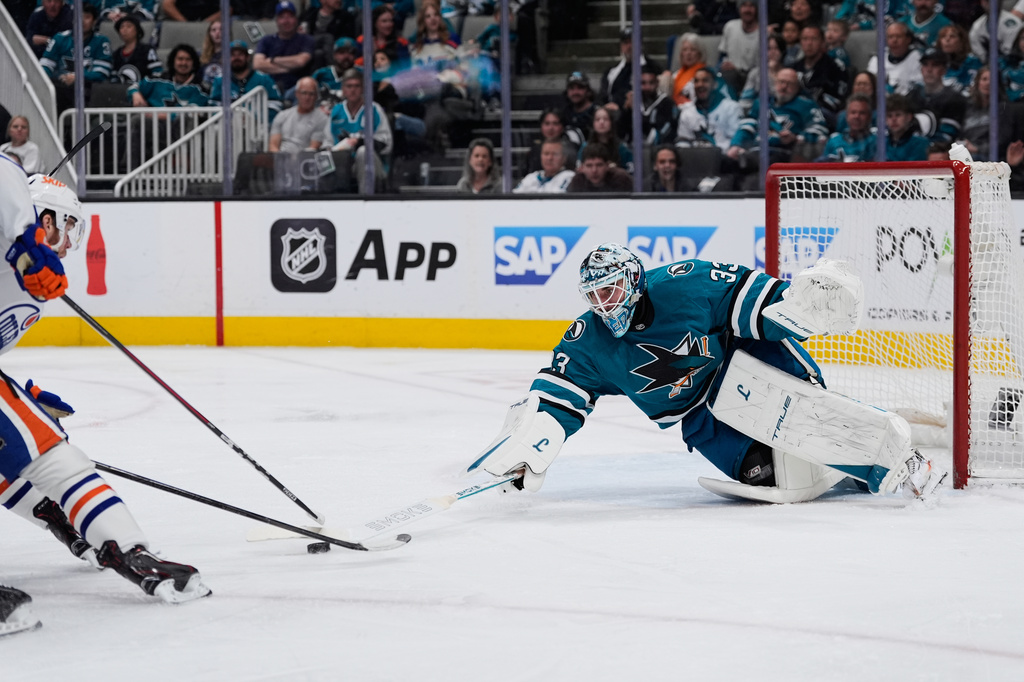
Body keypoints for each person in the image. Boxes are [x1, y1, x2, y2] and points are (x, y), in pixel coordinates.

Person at [464, 242, 945, 508]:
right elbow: (558, 397)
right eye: (594, 297)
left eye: (610, 292)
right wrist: (531, 450)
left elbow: (752, 303)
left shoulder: (684, 282)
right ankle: (836, 451)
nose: (603, 305)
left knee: (805, 417)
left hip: (746, 364)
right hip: (700, 416)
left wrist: (799, 307)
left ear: (633, 280)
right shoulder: (588, 341)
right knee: (767, 472)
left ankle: (886, 457)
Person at [0, 157, 211, 604]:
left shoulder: (33, 285)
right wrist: (19, 229)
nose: (67, 243)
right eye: (62, 227)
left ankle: (57, 515)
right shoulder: (16, 245)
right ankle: (129, 550)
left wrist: (24, 395)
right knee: (48, 451)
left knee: (21, 441)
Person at [727, 68, 828, 166]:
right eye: (781, 82)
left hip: (784, 154)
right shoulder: (761, 102)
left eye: (789, 84)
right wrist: (736, 144)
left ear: (797, 87)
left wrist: (795, 138)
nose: (784, 86)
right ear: (775, 83)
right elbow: (746, 126)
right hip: (756, 150)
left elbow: (819, 130)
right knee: (726, 166)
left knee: (755, 174)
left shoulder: (806, 105)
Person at [327, 68, 392, 193]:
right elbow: (327, 142)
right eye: (349, 86)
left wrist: (360, 142)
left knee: (363, 152)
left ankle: (366, 199)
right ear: (343, 89)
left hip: (373, 168)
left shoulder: (374, 109)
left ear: (363, 88)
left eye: (357, 86)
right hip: (342, 165)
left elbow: (386, 144)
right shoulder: (335, 111)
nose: (353, 90)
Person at [39, 3, 112, 113]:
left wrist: (78, 77)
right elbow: (44, 66)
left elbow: (102, 73)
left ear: (94, 21)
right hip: (59, 87)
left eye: (87, 17)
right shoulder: (59, 38)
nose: (82, 21)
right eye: (79, 17)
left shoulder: (101, 41)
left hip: (87, 89)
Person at [253, 1, 316, 98]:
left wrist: (273, 60)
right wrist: (289, 68)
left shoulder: (306, 40)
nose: (286, 21)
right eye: (282, 17)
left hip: (297, 89)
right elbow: (257, 64)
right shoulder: (266, 40)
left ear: (296, 19)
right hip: (270, 87)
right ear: (277, 20)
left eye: (290, 16)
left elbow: (300, 61)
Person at [209, 41, 284, 123]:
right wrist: (230, 119)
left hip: (258, 129)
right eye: (232, 55)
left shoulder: (264, 79)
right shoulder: (220, 81)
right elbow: (213, 107)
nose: (236, 58)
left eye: (240, 54)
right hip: (227, 129)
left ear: (247, 57)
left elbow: (276, 105)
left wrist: (254, 119)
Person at [791, 25, 849, 124]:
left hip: (823, 114)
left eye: (814, 39)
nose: (809, 43)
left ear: (823, 43)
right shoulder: (793, 68)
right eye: (805, 39)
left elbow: (838, 102)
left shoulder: (836, 67)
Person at [675, 67, 743, 152]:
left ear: (715, 85)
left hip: (723, 160)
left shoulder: (731, 108)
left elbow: (735, 142)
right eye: (696, 81)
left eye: (705, 81)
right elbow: (683, 142)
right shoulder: (687, 112)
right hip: (695, 160)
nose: (700, 85)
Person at [908, 48, 966, 144]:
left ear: (944, 70)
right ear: (921, 69)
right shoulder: (912, 95)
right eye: (925, 65)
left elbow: (947, 136)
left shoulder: (954, 99)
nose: (929, 70)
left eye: (935, 65)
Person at [599, 26, 660, 113]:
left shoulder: (652, 68)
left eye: (633, 42)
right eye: (626, 42)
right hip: (613, 116)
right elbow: (603, 96)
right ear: (621, 46)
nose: (629, 46)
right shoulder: (612, 71)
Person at [617, 63, 678, 146]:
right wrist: (627, 111)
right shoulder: (630, 101)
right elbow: (621, 133)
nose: (647, 87)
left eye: (651, 83)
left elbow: (663, 134)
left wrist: (637, 113)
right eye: (643, 83)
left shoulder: (667, 103)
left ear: (657, 83)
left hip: (658, 150)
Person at [269, 77, 329, 152]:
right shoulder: (282, 115)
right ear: (296, 94)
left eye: (311, 94)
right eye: (304, 93)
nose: (307, 97)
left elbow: (313, 148)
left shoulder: (322, 119)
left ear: (316, 96)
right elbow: (273, 145)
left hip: (305, 159)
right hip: (281, 157)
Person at [519, 108, 582, 178]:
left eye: (555, 124)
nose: (551, 128)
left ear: (562, 127)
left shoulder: (573, 148)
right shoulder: (534, 151)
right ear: (541, 126)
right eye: (547, 123)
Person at [298, 0, 356, 72]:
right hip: (309, 46)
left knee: (319, 53)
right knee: (327, 38)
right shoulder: (310, 13)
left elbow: (346, 39)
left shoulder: (345, 17)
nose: (339, 0)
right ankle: (332, 68)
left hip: (332, 49)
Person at [867, 21, 922, 96]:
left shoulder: (918, 59)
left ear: (908, 39)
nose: (894, 40)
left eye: (898, 36)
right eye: (890, 37)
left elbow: (918, 87)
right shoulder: (876, 59)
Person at [717, 0, 759, 95]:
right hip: (730, 74)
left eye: (751, 6)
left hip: (753, 77)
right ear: (739, 9)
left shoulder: (763, 33)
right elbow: (722, 55)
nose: (747, 10)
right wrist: (723, 64)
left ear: (756, 9)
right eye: (744, 5)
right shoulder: (730, 26)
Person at [819, 94, 877, 162]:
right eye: (853, 112)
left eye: (862, 113)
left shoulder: (877, 142)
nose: (857, 116)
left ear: (869, 117)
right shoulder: (834, 141)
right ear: (846, 116)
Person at [577, 106, 633, 173]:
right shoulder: (585, 147)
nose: (601, 122)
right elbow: (579, 169)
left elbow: (631, 171)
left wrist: (615, 170)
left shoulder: (621, 148)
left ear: (611, 123)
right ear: (593, 124)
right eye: (597, 119)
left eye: (606, 119)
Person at [111, 14, 162, 85]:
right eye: (121, 27)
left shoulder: (147, 50)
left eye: (129, 26)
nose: (124, 30)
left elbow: (157, 73)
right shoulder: (116, 54)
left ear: (137, 30)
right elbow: (113, 78)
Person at [739, 33, 785, 113]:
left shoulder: (789, 74)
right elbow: (745, 101)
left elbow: (786, 98)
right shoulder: (755, 73)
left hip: (784, 112)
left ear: (782, 51)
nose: (772, 52)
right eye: (769, 48)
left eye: (776, 48)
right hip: (759, 113)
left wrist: (773, 76)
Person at [356, 4, 411, 70]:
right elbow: (356, 64)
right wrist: (371, 55)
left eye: (391, 21)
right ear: (375, 23)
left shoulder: (401, 42)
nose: (389, 24)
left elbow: (405, 67)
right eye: (384, 21)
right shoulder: (363, 40)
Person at [662, 33, 709, 107]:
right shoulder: (676, 74)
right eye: (685, 50)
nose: (688, 53)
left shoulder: (707, 74)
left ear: (700, 53)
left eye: (693, 49)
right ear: (681, 54)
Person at [566, 143, 633, 193]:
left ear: (607, 166)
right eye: (589, 166)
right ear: (582, 168)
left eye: (599, 165)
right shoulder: (577, 181)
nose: (594, 170)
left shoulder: (621, 179)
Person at [410, 0, 459, 67]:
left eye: (435, 14)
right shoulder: (417, 47)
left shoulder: (451, 38)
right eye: (428, 16)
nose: (432, 18)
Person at [938, 24, 982, 97]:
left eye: (952, 36)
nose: (947, 39)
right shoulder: (936, 64)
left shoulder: (975, 62)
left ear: (962, 42)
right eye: (943, 36)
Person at [885, 93, 930, 161]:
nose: (893, 119)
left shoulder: (920, 143)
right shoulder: (880, 143)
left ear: (909, 117)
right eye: (889, 116)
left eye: (898, 115)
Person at [563, 71, 597, 140]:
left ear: (588, 91)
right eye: (571, 88)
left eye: (580, 88)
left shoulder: (597, 113)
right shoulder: (565, 114)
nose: (575, 92)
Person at [198, 19, 223, 90]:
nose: (217, 33)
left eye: (221, 29)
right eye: (214, 30)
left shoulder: (232, 55)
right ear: (209, 34)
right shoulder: (201, 55)